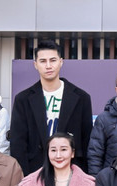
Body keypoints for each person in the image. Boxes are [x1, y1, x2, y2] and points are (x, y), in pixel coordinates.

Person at [10, 40, 93, 176]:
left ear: (61, 62)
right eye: (43, 61)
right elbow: (18, 144)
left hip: (71, 172)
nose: (48, 66)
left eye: (53, 60)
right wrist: (25, 177)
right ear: (35, 65)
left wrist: (82, 175)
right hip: (35, 172)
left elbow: (87, 141)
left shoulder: (81, 97)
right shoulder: (23, 99)